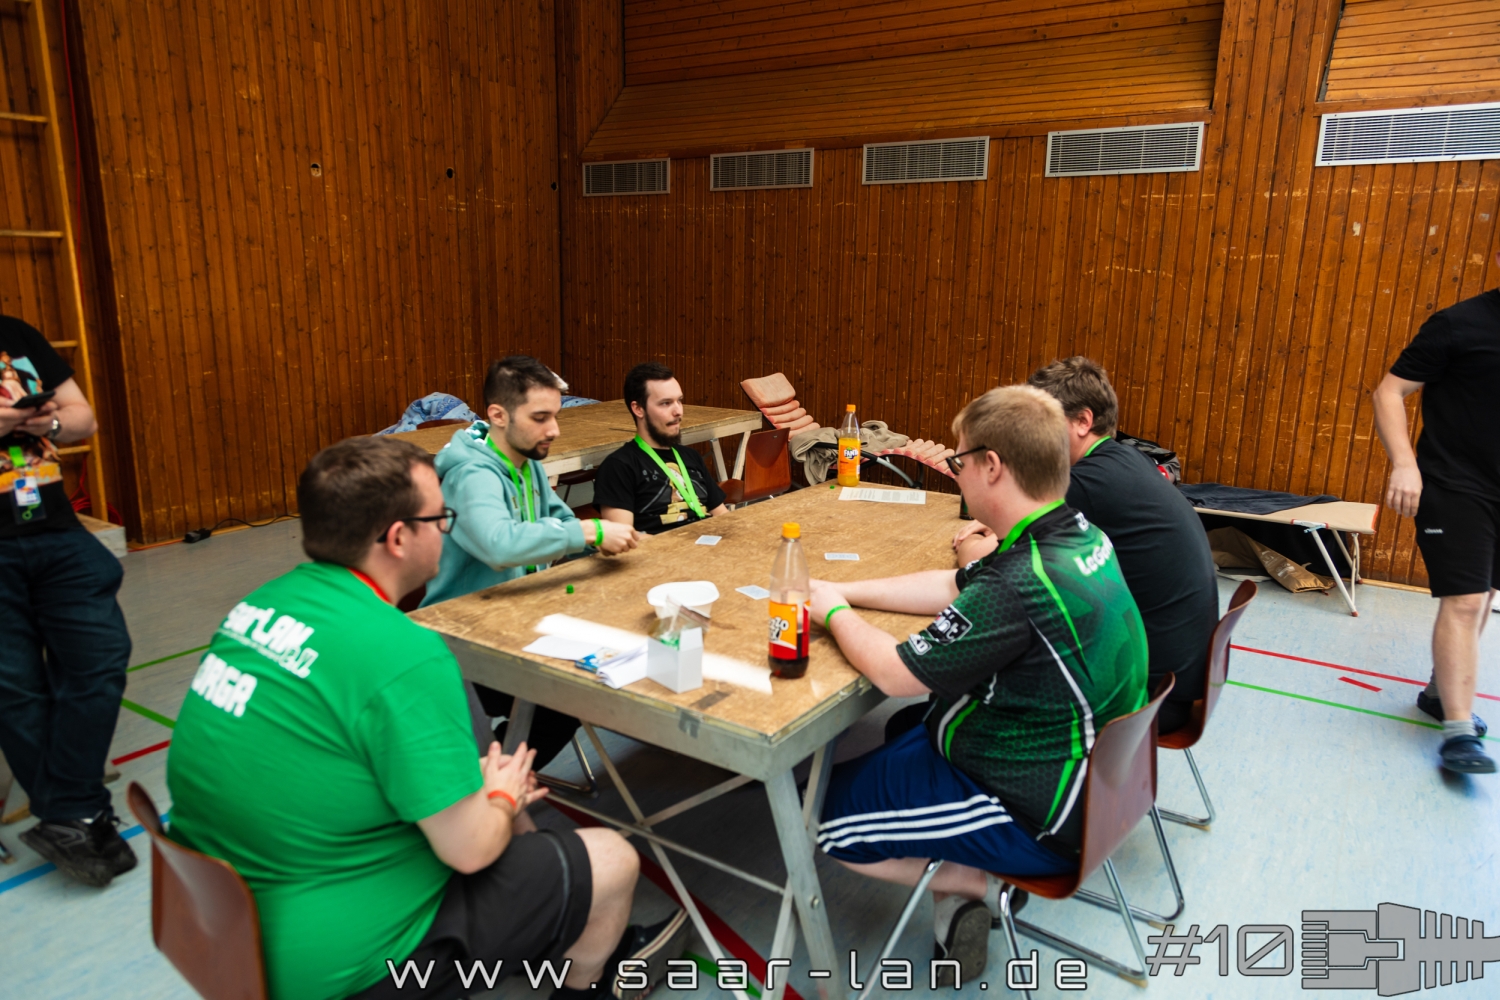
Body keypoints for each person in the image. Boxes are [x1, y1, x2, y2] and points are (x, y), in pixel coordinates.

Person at [166, 436, 684, 1000]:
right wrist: (502, 795)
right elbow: (471, 850)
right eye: (441, 518)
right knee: (610, 858)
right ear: (397, 538)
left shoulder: (257, 607)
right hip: (338, 969)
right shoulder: (405, 653)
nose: (447, 529)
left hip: (214, 927)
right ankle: (585, 985)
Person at [806, 385, 1148, 981]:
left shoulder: (1019, 582)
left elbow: (894, 672)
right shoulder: (1076, 534)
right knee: (901, 732)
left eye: (959, 460)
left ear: (991, 466)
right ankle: (957, 886)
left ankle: (977, 881)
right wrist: (842, 590)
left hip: (1036, 810)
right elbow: (955, 585)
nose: (955, 472)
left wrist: (832, 614)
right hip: (1093, 779)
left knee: (820, 820)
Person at [953, 357, 1218, 733]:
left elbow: (984, 564)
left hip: (1144, 698)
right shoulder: (1124, 460)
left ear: (1083, 421)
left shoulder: (1086, 484)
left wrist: (969, 544)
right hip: (1169, 681)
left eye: (1043, 423)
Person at [422, 356, 641, 768]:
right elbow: (499, 544)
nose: (553, 429)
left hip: (517, 619)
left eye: (555, 416)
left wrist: (612, 540)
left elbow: (561, 522)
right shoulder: (473, 474)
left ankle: (494, 770)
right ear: (498, 415)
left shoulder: (527, 464)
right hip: (464, 641)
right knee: (569, 694)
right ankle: (485, 777)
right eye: (540, 418)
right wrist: (589, 532)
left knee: (581, 686)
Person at [0, 314, 136, 887]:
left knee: (100, 656)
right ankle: (79, 816)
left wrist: (46, 420)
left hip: (54, 528)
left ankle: (66, 811)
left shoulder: (15, 335)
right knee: (15, 687)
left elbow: (84, 418)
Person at [1373, 261, 1499, 775]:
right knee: (1465, 599)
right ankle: (1459, 733)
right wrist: (1405, 464)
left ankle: (1437, 693)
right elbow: (1388, 392)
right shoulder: (1459, 323)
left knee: (1485, 595)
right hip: (1454, 484)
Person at [594, 362, 727, 534]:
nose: (678, 411)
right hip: (659, 550)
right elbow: (622, 538)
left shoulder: (690, 456)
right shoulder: (619, 466)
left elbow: (723, 517)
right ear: (638, 409)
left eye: (679, 401)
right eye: (665, 403)